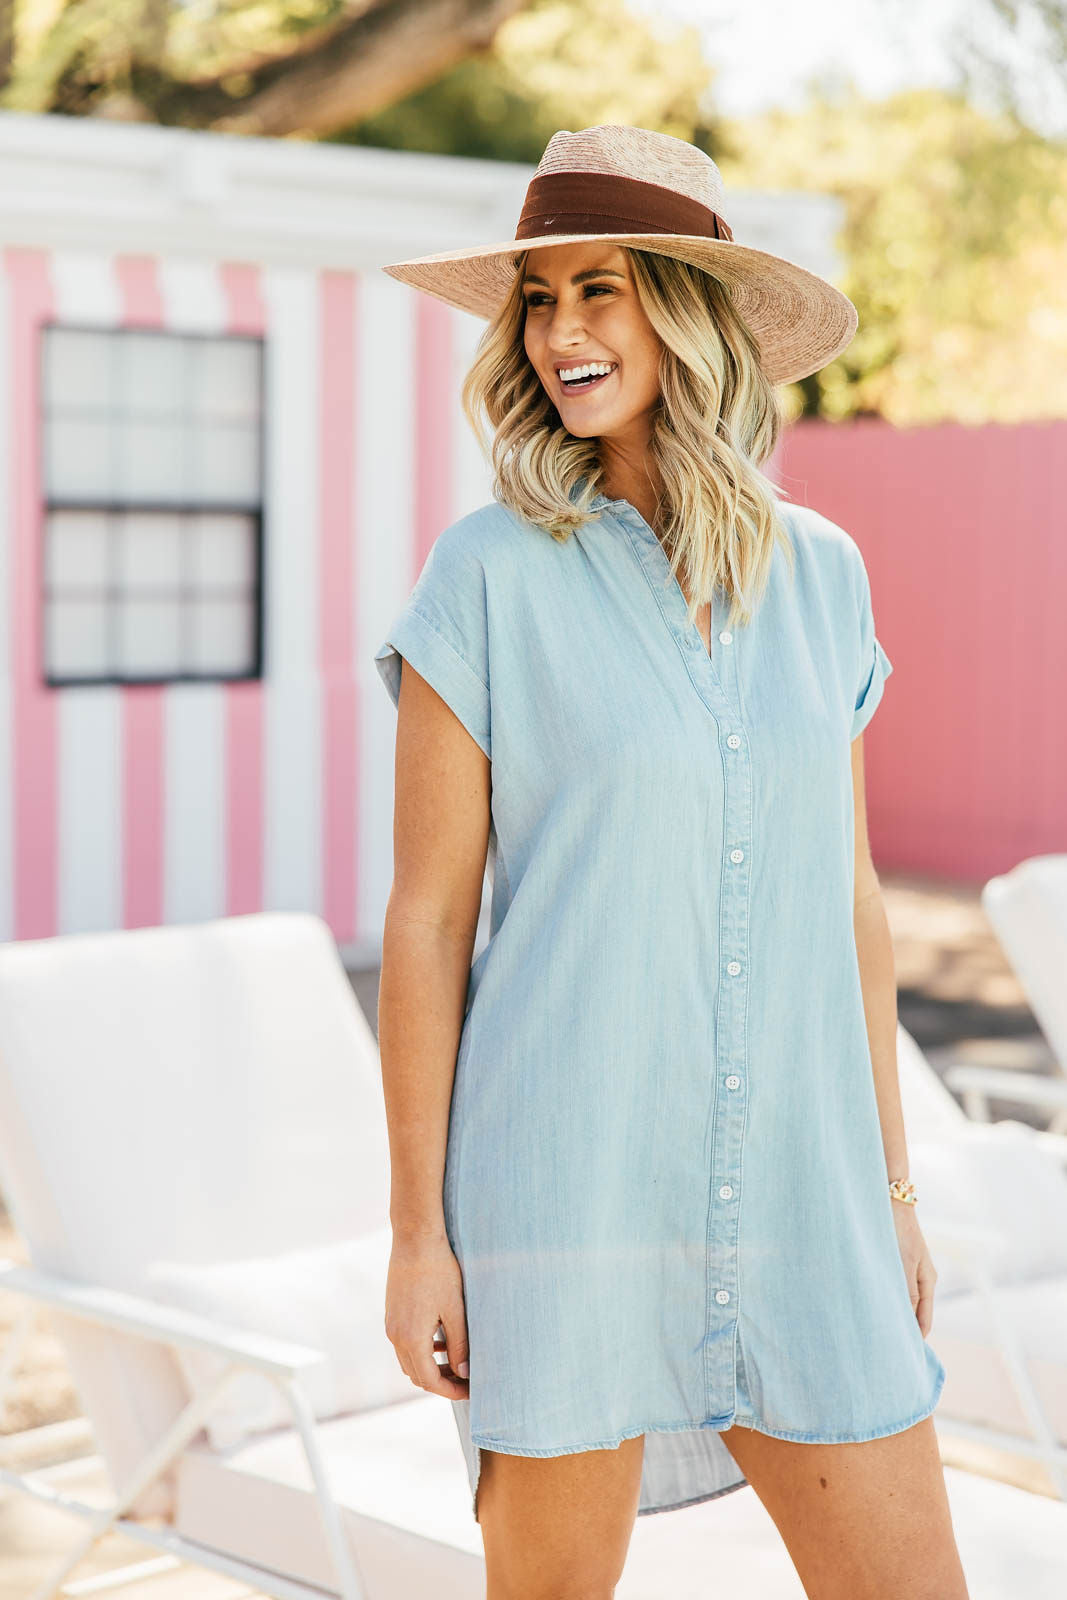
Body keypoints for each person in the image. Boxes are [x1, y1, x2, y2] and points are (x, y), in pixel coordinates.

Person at [372, 124, 970, 1600]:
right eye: (538, 299)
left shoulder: (822, 574)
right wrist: (414, 1238)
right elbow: (427, 921)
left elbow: (851, 902)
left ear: (689, 316)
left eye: (602, 290)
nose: (561, 331)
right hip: (559, 1200)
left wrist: (891, 1199)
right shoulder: (489, 572)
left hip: (806, 1203)